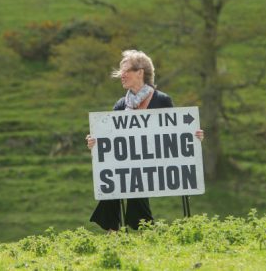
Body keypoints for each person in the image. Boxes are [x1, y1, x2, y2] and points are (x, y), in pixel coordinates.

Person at [86, 49, 203, 231]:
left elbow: (177, 132)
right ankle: (120, 233)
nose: (121, 76)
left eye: (126, 71)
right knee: (119, 179)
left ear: (140, 72)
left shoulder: (162, 101)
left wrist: (193, 137)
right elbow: (112, 139)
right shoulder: (120, 106)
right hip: (130, 165)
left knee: (133, 178)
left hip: (156, 164)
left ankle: (140, 230)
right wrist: (96, 143)